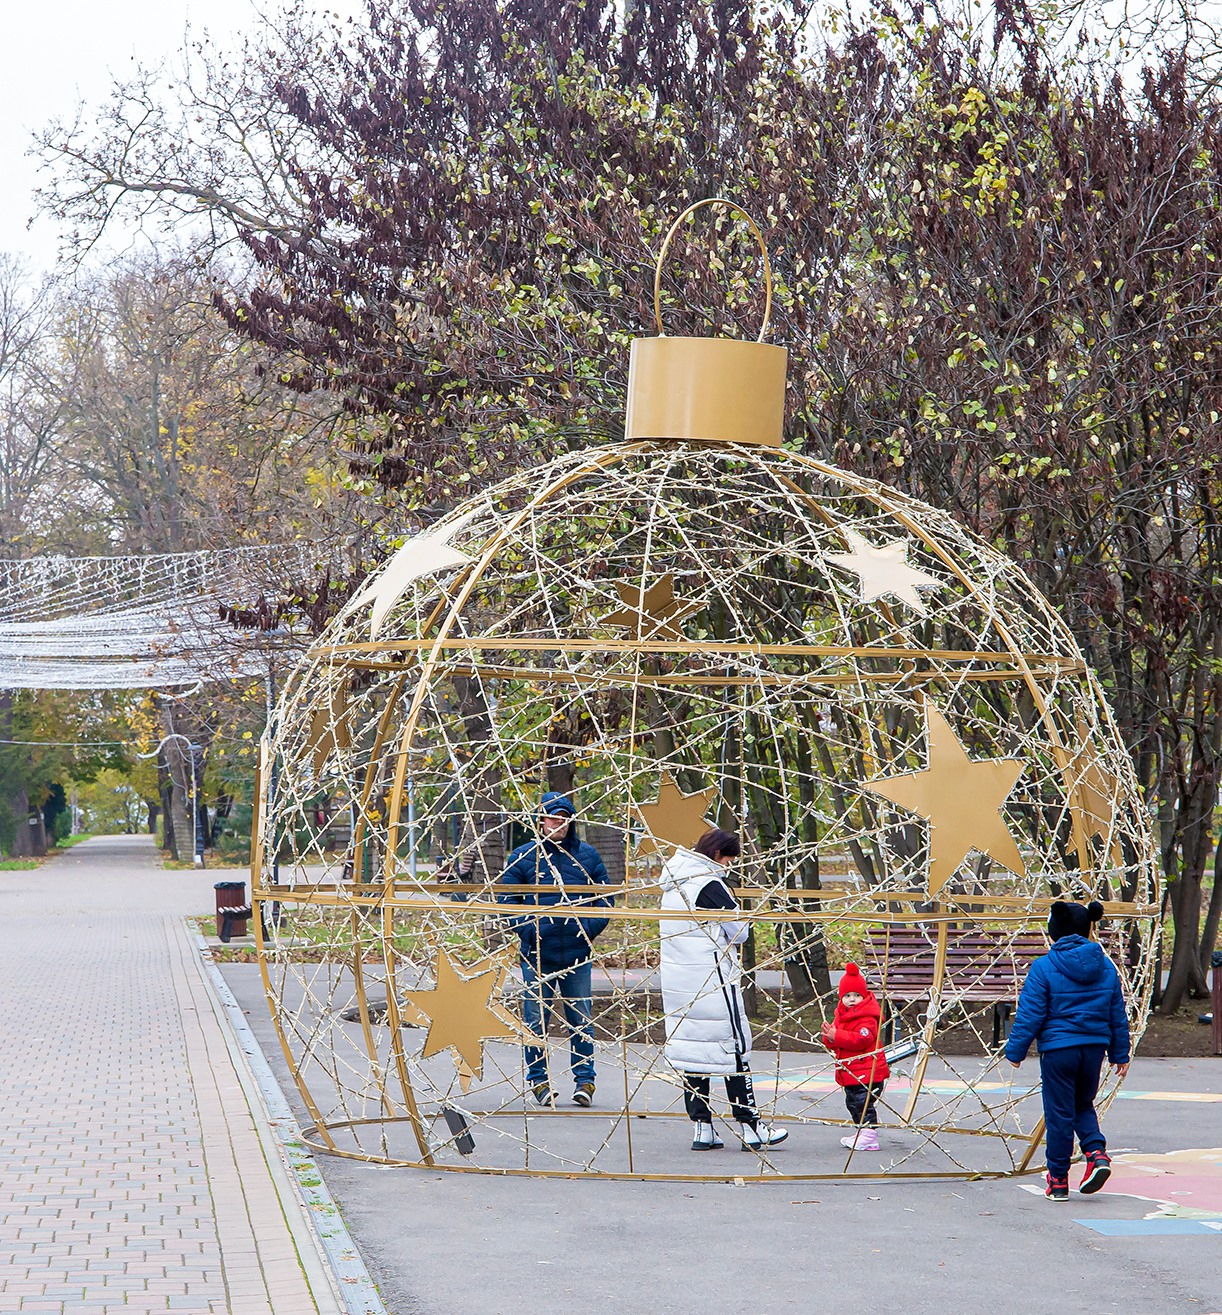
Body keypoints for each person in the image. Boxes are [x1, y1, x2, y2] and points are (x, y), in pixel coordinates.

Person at [658, 827, 788, 1153]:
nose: (730, 865)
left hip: (679, 984)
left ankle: (703, 1128)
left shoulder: (672, 881)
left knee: (693, 1053)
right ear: (719, 855)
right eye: (730, 859)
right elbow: (740, 931)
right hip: (711, 980)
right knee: (734, 1050)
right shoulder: (710, 883)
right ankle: (751, 1126)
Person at [1005, 900, 1131, 1201]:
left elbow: (1031, 1013)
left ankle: (1058, 1180)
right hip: (1093, 1048)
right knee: (1083, 1104)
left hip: (1059, 1050)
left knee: (1059, 1113)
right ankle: (1097, 1153)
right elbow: (1117, 1012)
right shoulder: (1105, 967)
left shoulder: (1045, 966)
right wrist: (1120, 1053)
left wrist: (1016, 1050)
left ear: (1055, 928)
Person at [499, 792, 614, 1107]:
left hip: (577, 954)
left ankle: (585, 1081)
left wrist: (586, 931)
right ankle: (538, 1081)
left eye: (565, 818)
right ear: (541, 820)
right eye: (553, 818)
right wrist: (530, 930)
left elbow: (605, 899)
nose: (559, 824)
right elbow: (506, 903)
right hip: (537, 955)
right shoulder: (523, 856)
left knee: (581, 1019)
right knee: (536, 1021)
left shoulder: (587, 856)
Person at [820, 962, 890, 1152]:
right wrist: (830, 1038)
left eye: (857, 995)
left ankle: (869, 1134)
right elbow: (837, 1042)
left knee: (863, 1103)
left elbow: (861, 1039)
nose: (852, 999)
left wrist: (837, 1036)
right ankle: (862, 1131)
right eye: (847, 996)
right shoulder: (841, 1016)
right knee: (853, 1103)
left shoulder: (868, 1017)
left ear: (864, 996)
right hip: (852, 1071)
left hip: (868, 1072)